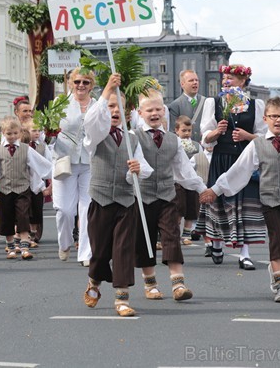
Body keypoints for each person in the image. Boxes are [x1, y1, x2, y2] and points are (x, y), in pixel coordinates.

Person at [200, 97, 280, 303]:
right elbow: (239, 171)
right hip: (269, 200)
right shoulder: (256, 145)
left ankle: (278, 266)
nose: (278, 121)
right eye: (274, 116)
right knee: (277, 239)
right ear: (265, 118)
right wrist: (215, 190)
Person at [81, 73, 152, 317]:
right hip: (101, 199)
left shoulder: (132, 138)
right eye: (111, 106)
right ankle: (94, 280)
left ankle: (121, 298)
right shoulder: (95, 135)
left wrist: (139, 169)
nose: (115, 111)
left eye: (119, 106)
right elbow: (92, 121)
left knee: (122, 249)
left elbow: (145, 166)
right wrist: (106, 92)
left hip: (125, 200)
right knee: (100, 250)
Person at [133, 93, 206, 303]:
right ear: (140, 113)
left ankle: (178, 283)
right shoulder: (133, 137)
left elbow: (184, 171)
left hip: (167, 195)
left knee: (171, 236)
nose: (154, 113)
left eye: (158, 109)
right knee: (145, 240)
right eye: (149, 110)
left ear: (164, 111)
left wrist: (203, 189)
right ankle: (150, 284)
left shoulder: (173, 140)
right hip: (142, 196)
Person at [196, 64, 267, 269]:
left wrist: (247, 136)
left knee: (243, 206)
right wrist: (217, 132)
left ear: (243, 82)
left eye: (231, 78)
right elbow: (205, 139)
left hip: (245, 161)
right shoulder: (214, 102)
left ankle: (245, 253)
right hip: (222, 158)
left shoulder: (256, 105)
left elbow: (263, 137)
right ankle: (216, 242)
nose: (226, 81)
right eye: (225, 77)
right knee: (220, 203)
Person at [0, 116, 52, 260]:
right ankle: (10, 246)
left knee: (23, 216)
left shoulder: (26, 149)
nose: (12, 136)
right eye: (9, 134)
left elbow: (36, 167)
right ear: (3, 133)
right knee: (6, 218)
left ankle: (24, 247)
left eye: (15, 133)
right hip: (5, 190)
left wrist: (45, 183)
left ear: (20, 133)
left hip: (22, 189)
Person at [52, 67, 97, 264]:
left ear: (91, 85)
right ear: (71, 83)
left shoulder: (97, 105)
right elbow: (51, 127)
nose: (81, 85)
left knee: (88, 210)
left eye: (85, 82)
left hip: (90, 162)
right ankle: (65, 243)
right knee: (65, 211)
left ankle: (86, 253)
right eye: (77, 81)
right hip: (64, 161)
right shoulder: (60, 102)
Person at [173, 115, 202, 245]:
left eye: (189, 130)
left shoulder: (196, 145)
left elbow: (201, 159)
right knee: (179, 207)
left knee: (192, 207)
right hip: (178, 181)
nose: (186, 133)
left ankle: (186, 233)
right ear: (177, 130)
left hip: (192, 180)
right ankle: (175, 232)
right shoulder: (174, 143)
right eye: (183, 130)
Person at [167, 69, 206, 142]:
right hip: (185, 149)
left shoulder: (206, 102)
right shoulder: (175, 105)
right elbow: (173, 131)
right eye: (191, 80)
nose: (195, 83)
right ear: (182, 84)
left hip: (205, 148)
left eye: (196, 80)